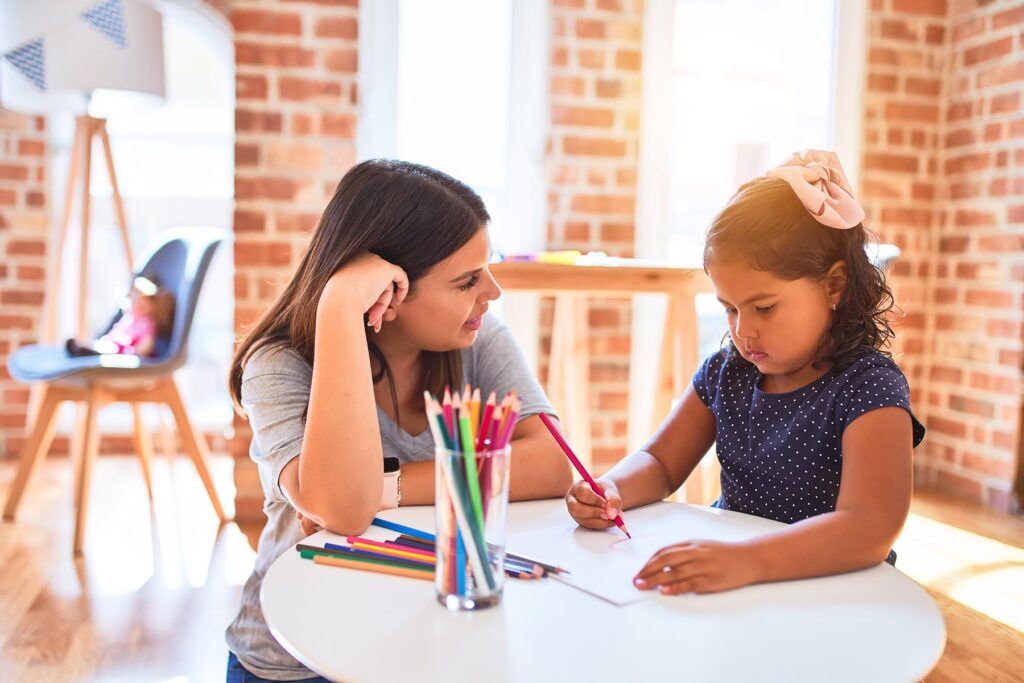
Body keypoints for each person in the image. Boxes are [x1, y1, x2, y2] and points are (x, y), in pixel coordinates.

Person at [225, 159, 572, 681]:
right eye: (467, 281)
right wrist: (340, 306)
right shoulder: (280, 364)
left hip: (424, 642)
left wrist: (382, 488)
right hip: (296, 660)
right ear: (390, 293)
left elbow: (552, 464)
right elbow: (343, 509)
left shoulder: (477, 340)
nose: (492, 292)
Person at [566, 150, 925, 595]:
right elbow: (660, 463)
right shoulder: (727, 373)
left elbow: (870, 526)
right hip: (737, 576)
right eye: (729, 309)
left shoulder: (869, 386)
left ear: (834, 285)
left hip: (834, 588)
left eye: (764, 307)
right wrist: (610, 488)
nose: (743, 330)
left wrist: (750, 560)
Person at [66, 276, 174, 357]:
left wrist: (137, 353)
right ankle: (83, 348)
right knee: (103, 345)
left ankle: (85, 350)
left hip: (125, 351)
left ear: (152, 307)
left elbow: (147, 342)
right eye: (135, 302)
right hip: (114, 343)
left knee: (109, 350)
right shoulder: (128, 318)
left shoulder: (147, 323)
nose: (137, 306)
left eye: (142, 305)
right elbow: (116, 331)